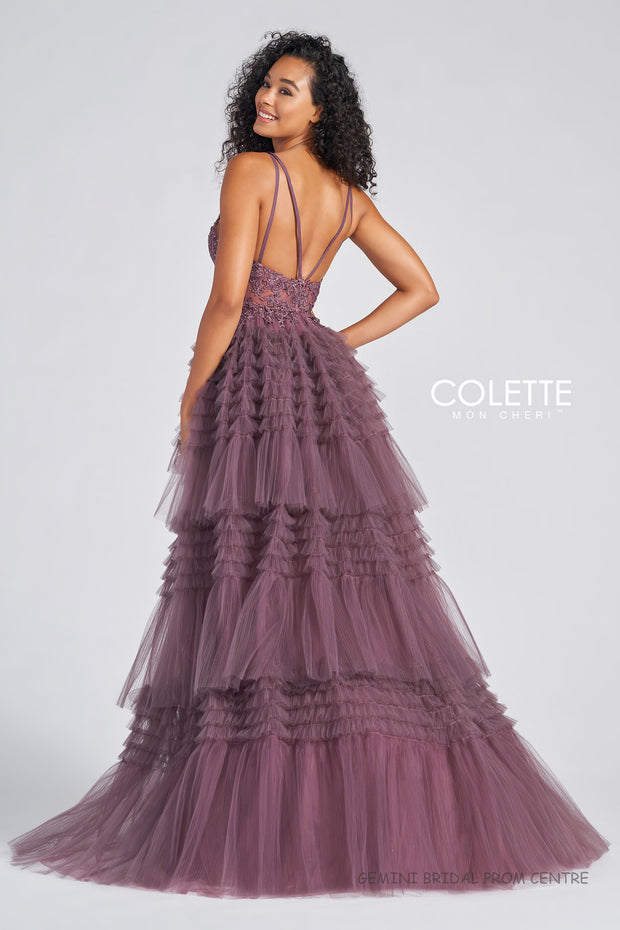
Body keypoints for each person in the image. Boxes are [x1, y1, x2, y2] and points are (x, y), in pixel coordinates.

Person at [8, 29, 610, 898]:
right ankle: (342, 816)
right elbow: (421, 287)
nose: (267, 97)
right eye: (265, 84)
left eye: (288, 90)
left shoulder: (253, 172)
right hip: (322, 390)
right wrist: (332, 343)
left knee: (257, 568)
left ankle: (260, 813)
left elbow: (228, 299)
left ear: (322, 110)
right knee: (331, 581)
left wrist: (190, 395)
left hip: (255, 383)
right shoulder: (346, 199)